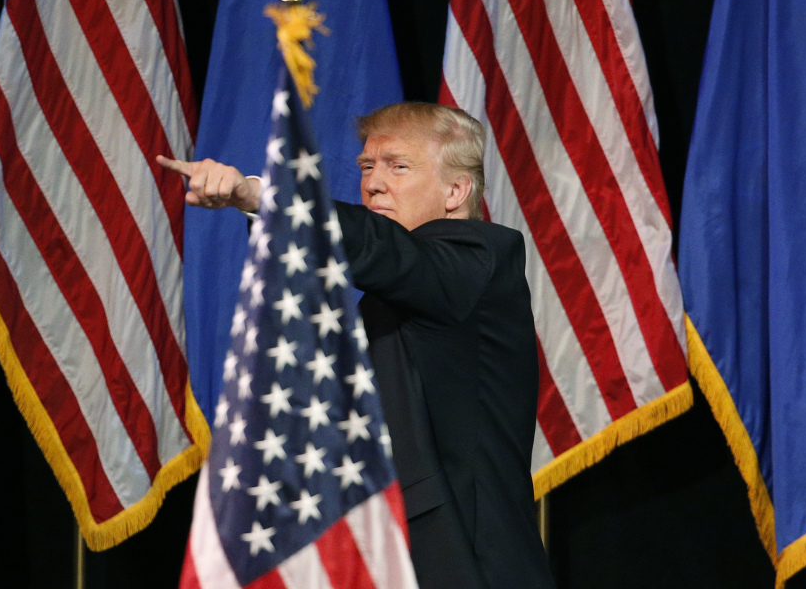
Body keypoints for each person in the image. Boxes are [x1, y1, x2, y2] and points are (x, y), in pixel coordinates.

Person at [158, 102, 555, 589]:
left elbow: (381, 248)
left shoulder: (479, 261)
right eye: (367, 166)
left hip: (463, 563)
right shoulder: (393, 293)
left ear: (456, 190)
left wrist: (258, 194)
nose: (373, 182)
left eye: (398, 165)